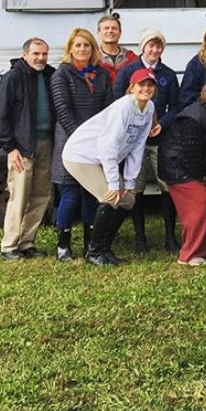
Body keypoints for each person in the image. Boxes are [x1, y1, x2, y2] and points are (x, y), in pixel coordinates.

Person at [61, 68, 158, 265]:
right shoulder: (123, 108)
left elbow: (137, 147)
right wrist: (114, 182)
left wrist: (130, 181)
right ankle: (94, 252)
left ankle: (105, 247)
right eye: (142, 85)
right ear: (132, 87)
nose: (146, 89)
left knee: (128, 200)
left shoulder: (149, 109)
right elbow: (109, 146)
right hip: (80, 155)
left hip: (101, 157)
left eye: (150, 85)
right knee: (111, 196)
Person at [114, 29, 181, 253]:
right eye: (150, 45)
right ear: (143, 47)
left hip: (160, 139)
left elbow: (176, 105)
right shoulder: (127, 71)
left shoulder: (168, 74)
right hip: (134, 142)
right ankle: (140, 238)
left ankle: (170, 237)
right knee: (137, 187)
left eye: (158, 46)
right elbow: (117, 103)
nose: (154, 50)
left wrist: (164, 123)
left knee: (166, 186)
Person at [50, 28, 114, 261]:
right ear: (70, 49)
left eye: (86, 45)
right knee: (70, 194)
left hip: (96, 141)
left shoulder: (102, 74)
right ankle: (63, 246)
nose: (82, 49)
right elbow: (63, 110)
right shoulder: (61, 75)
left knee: (90, 194)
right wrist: (82, 137)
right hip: (70, 142)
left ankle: (90, 243)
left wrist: (100, 137)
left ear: (93, 48)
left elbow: (108, 107)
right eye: (77, 45)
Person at [158, 78, 206, 266]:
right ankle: (189, 255)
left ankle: (205, 249)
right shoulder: (192, 117)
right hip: (178, 167)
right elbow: (191, 155)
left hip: (204, 168)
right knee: (202, 201)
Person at [0, 38, 55, 260]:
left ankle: (27, 242)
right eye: (36, 53)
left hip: (46, 143)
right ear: (25, 54)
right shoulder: (13, 77)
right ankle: (9, 246)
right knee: (18, 196)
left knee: (41, 196)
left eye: (44, 54)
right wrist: (10, 148)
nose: (41, 58)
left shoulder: (49, 75)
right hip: (22, 147)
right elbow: (1, 115)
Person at [96, 15, 138, 86]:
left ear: (120, 33)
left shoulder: (132, 58)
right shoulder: (92, 58)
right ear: (99, 33)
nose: (110, 31)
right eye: (106, 28)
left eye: (114, 28)